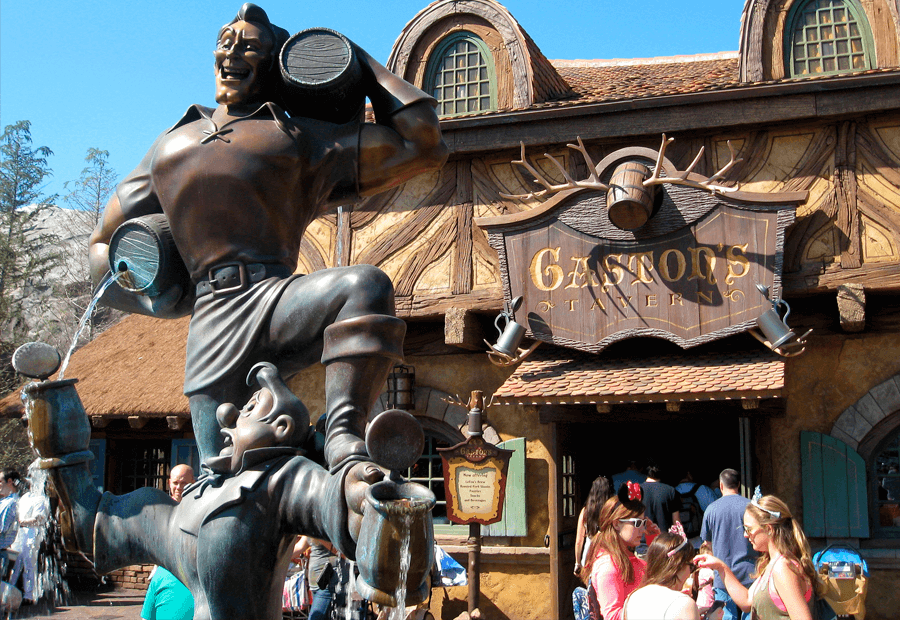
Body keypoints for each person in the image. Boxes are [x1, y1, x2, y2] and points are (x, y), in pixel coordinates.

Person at [88, 2, 449, 469]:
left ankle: (341, 433)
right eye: (225, 43)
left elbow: (423, 142)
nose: (231, 53)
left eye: (250, 47)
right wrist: (153, 296)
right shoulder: (169, 145)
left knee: (365, 286)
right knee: (220, 486)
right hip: (211, 319)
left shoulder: (297, 135)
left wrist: (355, 61)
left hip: (278, 299)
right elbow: (101, 248)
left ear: (275, 63)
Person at [37, 361, 402, 620]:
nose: (227, 415)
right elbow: (88, 526)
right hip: (179, 528)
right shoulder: (196, 497)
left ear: (282, 427)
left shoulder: (282, 477)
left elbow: (329, 502)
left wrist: (360, 493)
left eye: (250, 408)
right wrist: (58, 427)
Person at [695, 490, 818, 620]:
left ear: (768, 529)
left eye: (749, 529)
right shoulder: (772, 564)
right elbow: (747, 601)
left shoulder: (783, 568)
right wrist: (720, 567)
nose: (745, 535)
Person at [580, 482, 659, 620]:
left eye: (644, 522)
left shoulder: (624, 559)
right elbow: (613, 616)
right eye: (637, 523)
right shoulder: (609, 566)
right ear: (617, 523)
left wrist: (654, 540)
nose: (642, 529)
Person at [141, 465, 197, 620]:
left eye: (184, 483)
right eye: (175, 483)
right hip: (165, 572)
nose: (179, 488)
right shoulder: (161, 508)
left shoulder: (199, 509)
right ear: (169, 483)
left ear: (194, 482)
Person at [700, 469, 757, 620]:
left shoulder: (711, 510)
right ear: (739, 484)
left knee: (725, 616)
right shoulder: (751, 506)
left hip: (722, 577)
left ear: (720, 485)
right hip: (749, 573)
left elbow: (707, 544)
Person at [623, 525, 700, 620]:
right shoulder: (683, 603)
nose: (690, 573)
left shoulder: (632, 599)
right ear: (678, 565)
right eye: (691, 566)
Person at [8, 475, 50, 605]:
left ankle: (29, 595)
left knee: (29, 563)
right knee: (15, 563)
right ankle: (9, 591)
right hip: (19, 532)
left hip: (32, 532)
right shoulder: (25, 497)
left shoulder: (42, 499)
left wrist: (23, 522)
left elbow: (39, 518)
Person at [574, 475, 613, 576]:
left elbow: (579, 541)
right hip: (608, 553)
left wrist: (577, 563)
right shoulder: (612, 510)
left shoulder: (585, 511)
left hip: (589, 553)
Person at [641, 466, 681, 534]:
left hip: (640, 539)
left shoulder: (636, 490)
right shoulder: (670, 491)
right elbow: (676, 523)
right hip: (664, 541)